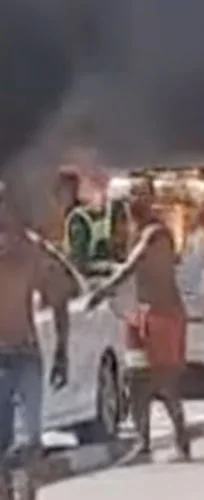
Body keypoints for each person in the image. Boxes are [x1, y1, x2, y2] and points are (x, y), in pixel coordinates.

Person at [86, 180, 191, 462]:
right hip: (142, 314)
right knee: (135, 379)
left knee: (166, 382)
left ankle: (182, 440)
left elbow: (131, 266)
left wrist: (102, 290)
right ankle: (143, 443)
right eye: (131, 196)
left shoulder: (156, 233)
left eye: (139, 196)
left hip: (164, 314)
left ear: (148, 201)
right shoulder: (136, 231)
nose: (133, 202)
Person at [0, 183, 76, 499]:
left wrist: (61, 351)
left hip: (25, 355)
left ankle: (28, 491)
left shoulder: (33, 252)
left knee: (30, 440)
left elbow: (59, 299)